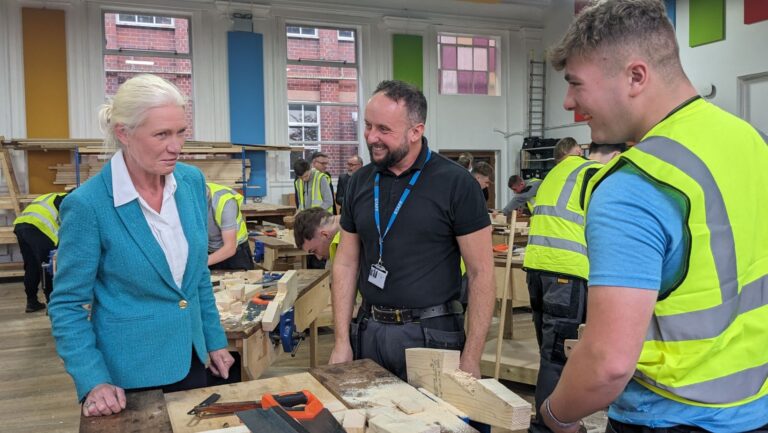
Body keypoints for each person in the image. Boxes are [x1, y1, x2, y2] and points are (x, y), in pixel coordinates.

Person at [541, 1, 768, 433]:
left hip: (665, 416)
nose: (570, 103)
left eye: (575, 84)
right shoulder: (752, 142)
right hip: (754, 408)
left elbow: (608, 363)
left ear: (635, 76)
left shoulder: (635, 184)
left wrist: (555, 415)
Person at [48, 74, 235, 418]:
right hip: (128, 379)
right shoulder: (89, 205)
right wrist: (93, 380)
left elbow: (196, 279)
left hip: (193, 359)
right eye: (162, 134)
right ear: (124, 133)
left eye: (181, 132)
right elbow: (68, 305)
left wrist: (214, 338)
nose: (176, 145)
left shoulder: (191, 183)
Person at [328, 80, 495, 380]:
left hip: (432, 334)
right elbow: (345, 262)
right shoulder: (360, 182)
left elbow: (481, 272)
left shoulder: (455, 183)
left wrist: (471, 357)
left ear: (416, 131)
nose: (371, 137)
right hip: (369, 331)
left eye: (384, 129)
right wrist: (342, 341)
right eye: (368, 126)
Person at [522, 142, 625, 433]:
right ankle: (548, 425)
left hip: (537, 269)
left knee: (548, 351)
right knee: (558, 355)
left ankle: (549, 420)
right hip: (566, 272)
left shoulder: (557, 171)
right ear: (615, 155)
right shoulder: (596, 173)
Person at [13, 192, 67, 312]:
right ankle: (52, 304)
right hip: (38, 227)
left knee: (32, 265)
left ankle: (32, 302)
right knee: (48, 265)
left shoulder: (51, 196)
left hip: (21, 225)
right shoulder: (69, 199)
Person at [206, 182, 254, 270]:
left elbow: (230, 248)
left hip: (236, 253)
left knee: (241, 282)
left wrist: (200, 264)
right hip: (208, 249)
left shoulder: (225, 201)